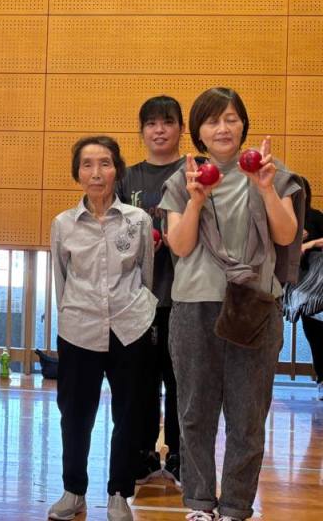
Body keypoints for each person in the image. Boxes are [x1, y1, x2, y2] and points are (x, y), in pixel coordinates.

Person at [160, 87, 303, 521]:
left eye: (231, 118)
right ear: (198, 131)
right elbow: (180, 246)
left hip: (255, 306)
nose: (222, 128)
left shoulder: (272, 172)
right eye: (211, 120)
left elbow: (285, 235)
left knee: (248, 415)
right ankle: (200, 502)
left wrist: (265, 189)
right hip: (195, 305)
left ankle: (237, 506)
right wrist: (196, 201)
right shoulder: (183, 178)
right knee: (194, 412)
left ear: (243, 124)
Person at [48, 135, 156, 521]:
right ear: (77, 173)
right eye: (88, 165)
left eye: (105, 163)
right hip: (79, 329)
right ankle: (73, 491)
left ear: (117, 171)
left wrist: (140, 312)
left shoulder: (138, 220)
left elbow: (146, 275)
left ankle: (119, 494)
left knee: (128, 415)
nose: (97, 173)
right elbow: (61, 280)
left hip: (130, 327)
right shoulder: (63, 224)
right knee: (75, 415)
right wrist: (72, 314)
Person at [117, 96, 184, 486]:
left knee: (180, 381)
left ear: (180, 129)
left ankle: (178, 455)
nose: (159, 130)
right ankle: (142, 453)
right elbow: (113, 231)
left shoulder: (194, 172)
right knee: (140, 382)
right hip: (138, 298)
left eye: (167, 122)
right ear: (142, 130)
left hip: (184, 296)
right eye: (151, 123)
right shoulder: (127, 178)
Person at [284, 176, 323, 400]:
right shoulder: (281, 218)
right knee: (311, 334)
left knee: (317, 332)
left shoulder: (315, 216)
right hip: (291, 286)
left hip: (315, 288)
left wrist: (311, 243)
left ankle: (321, 378)